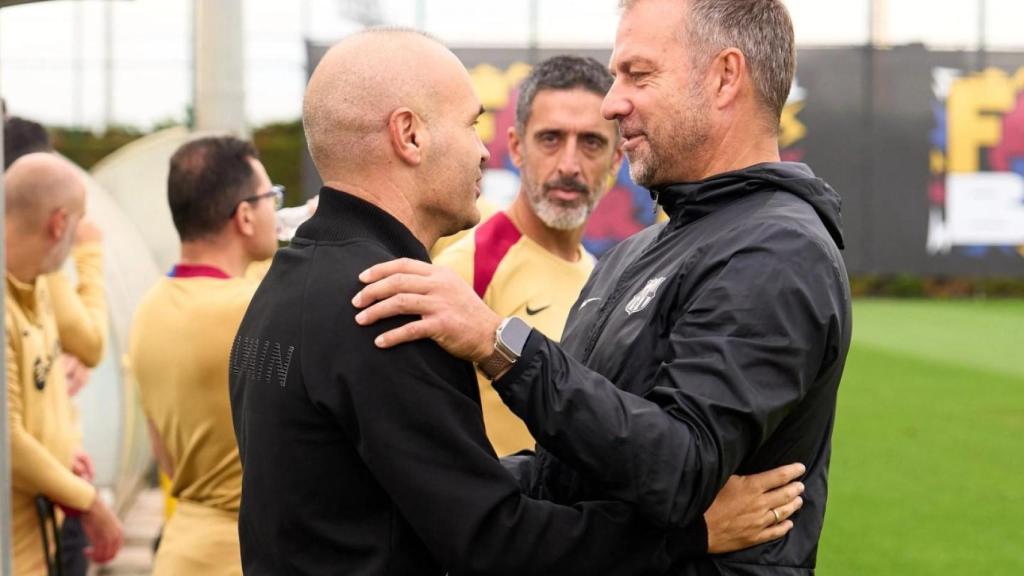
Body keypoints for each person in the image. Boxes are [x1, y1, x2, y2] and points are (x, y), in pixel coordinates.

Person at [230, 28, 805, 575]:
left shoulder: (288, 284)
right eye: (471, 124)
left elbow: (407, 489)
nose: (483, 153)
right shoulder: (394, 305)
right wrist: (687, 535)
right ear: (410, 135)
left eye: (591, 142)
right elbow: (492, 543)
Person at [354, 1, 853, 573]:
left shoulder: (777, 249)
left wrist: (499, 344)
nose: (613, 103)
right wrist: (424, 492)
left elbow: (679, 471)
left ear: (724, 77)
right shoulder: (636, 253)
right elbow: (567, 474)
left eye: (637, 74)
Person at [434, 54, 622, 456]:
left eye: (591, 142)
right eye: (551, 139)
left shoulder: (604, 279)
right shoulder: (466, 268)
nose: (569, 165)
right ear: (517, 147)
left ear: (617, 158)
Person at [127, 136, 280, 575]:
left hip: (181, 548)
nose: (278, 209)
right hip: (245, 553)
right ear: (245, 216)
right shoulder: (256, 312)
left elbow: (166, 457)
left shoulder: (149, 309)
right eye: (272, 197)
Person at [4, 153, 123, 575]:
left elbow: (34, 389)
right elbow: (7, 441)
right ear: (59, 224)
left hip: (40, 540)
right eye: (80, 221)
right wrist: (88, 502)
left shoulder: (35, 283)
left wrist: (60, 452)